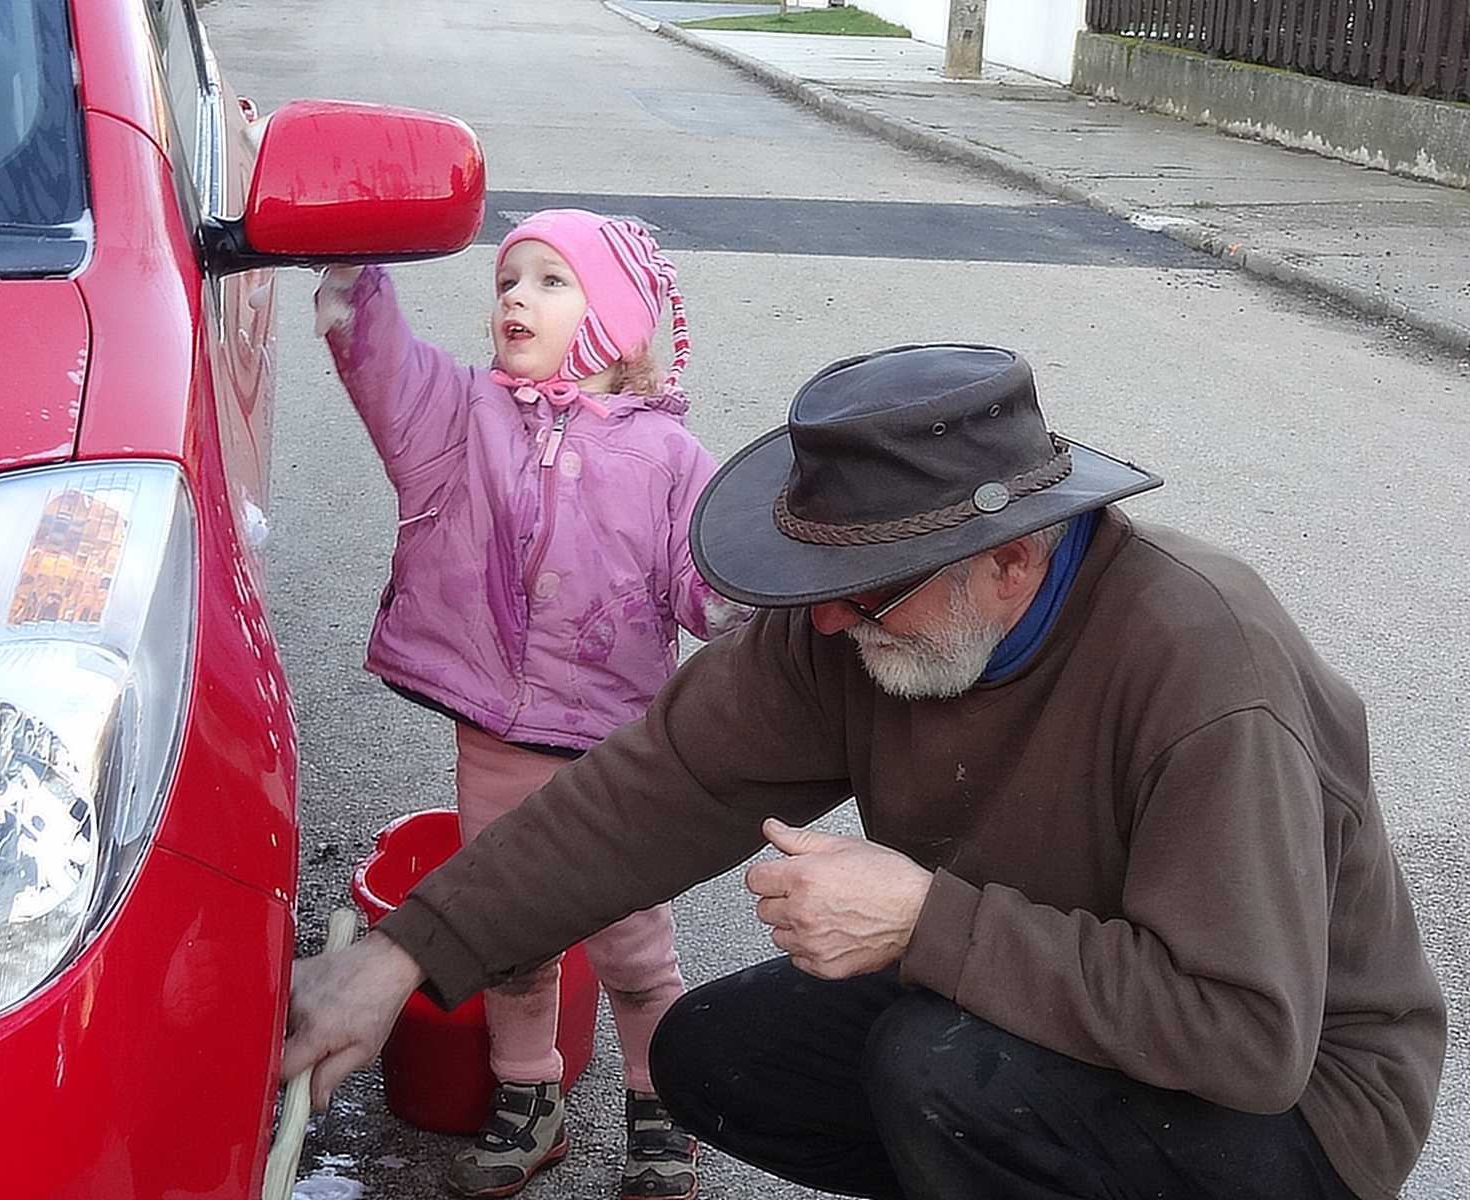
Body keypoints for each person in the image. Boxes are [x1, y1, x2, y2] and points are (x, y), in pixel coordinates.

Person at [283, 344, 1446, 1200]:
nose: (827, 625)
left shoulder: (1203, 674)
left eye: (864, 594)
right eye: (810, 583)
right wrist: (407, 952)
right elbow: (655, 789)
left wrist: (926, 921)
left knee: (939, 1073)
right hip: (1038, 989)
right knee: (716, 1057)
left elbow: (1242, 1035)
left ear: (1009, 560)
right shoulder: (862, 615)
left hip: (1296, 1111)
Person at [312, 208, 749, 1199]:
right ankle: (528, 1098)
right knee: (509, 938)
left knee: (634, 950)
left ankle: (657, 1105)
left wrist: (749, 597)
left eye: (552, 281)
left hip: (618, 755)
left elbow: (706, 588)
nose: (516, 297)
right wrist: (351, 268)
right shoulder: (459, 418)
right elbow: (382, 364)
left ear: (622, 318)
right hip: (497, 739)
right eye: (509, 280)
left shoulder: (672, 460)